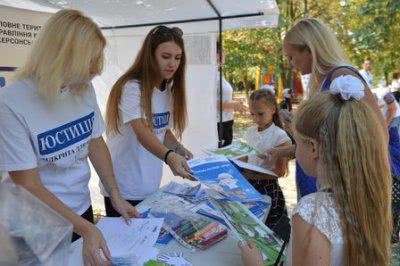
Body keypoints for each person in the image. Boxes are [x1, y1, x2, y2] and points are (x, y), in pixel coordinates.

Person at [0, 9, 138, 266]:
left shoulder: (83, 89)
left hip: (80, 210)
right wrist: (85, 229)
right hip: (36, 226)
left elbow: (95, 141)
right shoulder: (11, 102)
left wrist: (115, 194)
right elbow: (27, 184)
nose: (97, 69)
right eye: (91, 60)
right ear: (64, 54)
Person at [240, 89, 392, 266]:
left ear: (313, 148)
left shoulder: (312, 211)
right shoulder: (368, 199)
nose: (294, 150)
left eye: (297, 142)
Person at [266, 18, 385, 198]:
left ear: (310, 49)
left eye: (291, 56)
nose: (290, 63)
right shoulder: (319, 81)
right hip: (320, 188)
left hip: (340, 192)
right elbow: (321, 143)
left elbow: (378, 135)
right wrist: (282, 149)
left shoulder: (342, 77)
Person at [103, 25, 194, 216]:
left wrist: (177, 147)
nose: (172, 64)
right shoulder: (132, 87)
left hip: (150, 184)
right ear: (150, 56)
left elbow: (161, 130)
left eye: (177, 58)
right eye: (165, 56)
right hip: (124, 187)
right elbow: (142, 132)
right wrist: (170, 156)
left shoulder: (166, 90)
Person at [241, 89, 292, 242]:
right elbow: (244, 158)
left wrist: (251, 175)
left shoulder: (279, 135)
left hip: (267, 189)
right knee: (250, 228)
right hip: (248, 187)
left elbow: (280, 172)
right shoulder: (250, 131)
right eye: (252, 114)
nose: (256, 119)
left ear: (272, 109)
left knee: (269, 233)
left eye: (261, 114)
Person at [216, 45, 246, 147]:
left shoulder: (219, 74)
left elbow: (222, 97)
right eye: (223, 52)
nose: (225, 55)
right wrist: (233, 105)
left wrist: (234, 103)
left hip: (227, 121)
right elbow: (208, 103)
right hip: (218, 123)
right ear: (217, 55)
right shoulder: (210, 75)